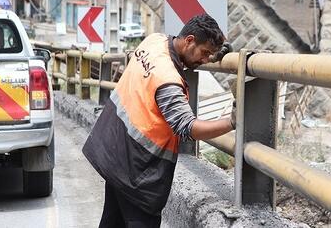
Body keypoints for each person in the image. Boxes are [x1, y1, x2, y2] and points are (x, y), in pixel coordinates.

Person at [82, 14, 236, 228]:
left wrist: (212, 54)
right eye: (204, 53)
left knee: (112, 221)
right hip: (137, 171)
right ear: (189, 40)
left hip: (113, 151)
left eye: (209, 55)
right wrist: (231, 122)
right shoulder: (167, 80)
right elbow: (188, 127)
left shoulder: (154, 41)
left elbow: (177, 61)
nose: (205, 60)